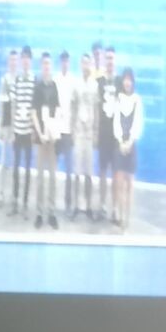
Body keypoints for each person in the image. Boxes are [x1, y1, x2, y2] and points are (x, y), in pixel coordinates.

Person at [111, 67, 143, 233]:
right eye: (125, 79)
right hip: (119, 145)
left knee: (130, 184)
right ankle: (121, 216)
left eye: (129, 80)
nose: (127, 82)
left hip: (131, 145)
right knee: (119, 183)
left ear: (133, 82)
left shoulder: (137, 100)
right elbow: (116, 122)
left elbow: (137, 123)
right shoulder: (118, 99)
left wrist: (129, 142)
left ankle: (127, 218)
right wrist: (120, 142)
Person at [32, 52, 61, 231]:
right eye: (44, 64)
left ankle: (51, 213)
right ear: (41, 66)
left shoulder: (55, 86)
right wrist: (40, 132)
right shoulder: (37, 87)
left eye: (49, 64)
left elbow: (57, 110)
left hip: (52, 138)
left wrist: (54, 131)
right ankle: (39, 213)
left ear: (51, 66)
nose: (46, 67)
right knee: (41, 177)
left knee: (52, 176)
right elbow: (34, 113)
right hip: (41, 138)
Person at [70, 50, 98, 222]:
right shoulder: (76, 83)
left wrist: (96, 132)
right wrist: (72, 129)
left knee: (88, 173)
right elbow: (73, 106)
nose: (85, 66)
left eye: (88, 63)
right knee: (77, 172)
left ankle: (88, 207)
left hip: (89, 134)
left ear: (90, 65)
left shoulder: (95, 85)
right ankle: (75, 206)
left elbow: (96, 109)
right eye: (83, 63)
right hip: (79, 133)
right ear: (80, 65)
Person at [8, 47, 36, 217]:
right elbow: (13, 105)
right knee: (16, 168)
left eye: (27, 58)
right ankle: (15, 202)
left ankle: (25, 204)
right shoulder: (17, 80)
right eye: (23, 58)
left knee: (27, 168)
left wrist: (34, 131)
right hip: (17, 131)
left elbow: (35, 107)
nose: (25, 61)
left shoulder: (34, 80)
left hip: (29, 132)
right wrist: (12, 130)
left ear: (30, 61)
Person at [95, 47, 119, 221]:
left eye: (112, 58)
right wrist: (96, 132)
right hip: (103, 134)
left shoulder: (120, 82)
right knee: (102, 171)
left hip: (116, 135)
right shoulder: (99, 82)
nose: (110, 61)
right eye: (107, 58)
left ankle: (115, 209)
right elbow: (96, 109)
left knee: (116, 173)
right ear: (104, 61)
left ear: (115, 60)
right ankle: (102, 206)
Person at [0, 48, 18, 210]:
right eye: (11, 60)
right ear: (8, 62)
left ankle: (12, 194)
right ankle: (1, 193)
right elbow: (1, 104)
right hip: (6, 125)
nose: (13, 62)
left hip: (17, 127)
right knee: (4, 161)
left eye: (15, 60)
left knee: (14, 162)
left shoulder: (20, 80)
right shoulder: (4, 80)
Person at [54, 51, 75, 216]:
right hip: (56, 130)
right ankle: (51, 202)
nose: (65, 63)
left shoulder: (73, 81)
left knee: (69, 169)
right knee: (53, 168)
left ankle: (68, 204)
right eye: (63, 61)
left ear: (69, 62)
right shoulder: (55, 79)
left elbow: (75, 106)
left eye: (67, 61)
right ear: (60, 62)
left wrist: (73, 128)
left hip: (68, 131)